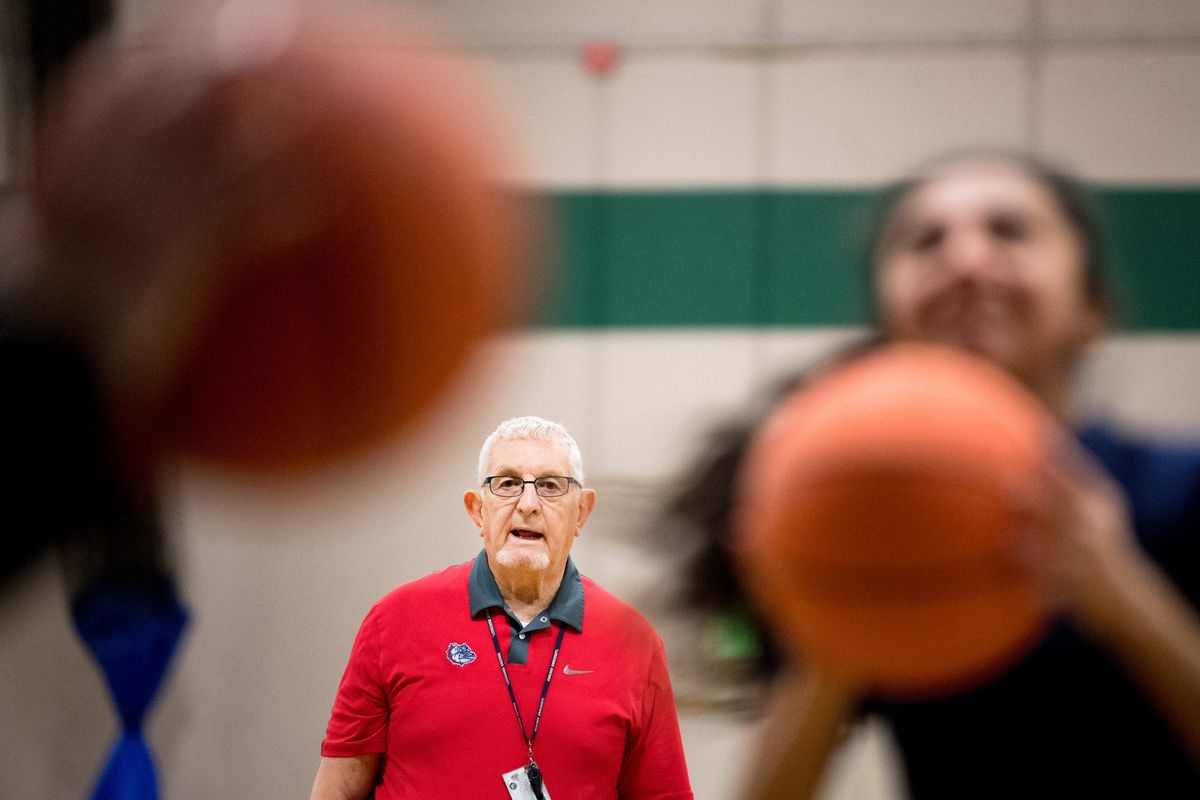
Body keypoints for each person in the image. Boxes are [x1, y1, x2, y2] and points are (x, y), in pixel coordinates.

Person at [660, 151, 1200, 798]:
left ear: (1093, 308)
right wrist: (829, 631)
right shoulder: (862, 521)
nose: (966, 262)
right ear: (889, 322)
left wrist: (1124, 597)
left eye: (1009, 231)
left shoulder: (1182, 489)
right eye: (925, 241)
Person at [310, 416, 695, 800]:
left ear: (581, 512)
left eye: (549, 486)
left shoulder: (633, 641)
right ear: (478, 510)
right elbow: (337, 792)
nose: (528, 504)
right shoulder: (394, 621)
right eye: (508, 483)